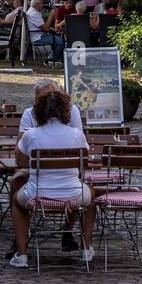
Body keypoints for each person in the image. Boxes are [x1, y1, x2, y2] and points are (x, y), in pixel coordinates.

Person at [9, 88, 95, 268]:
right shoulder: (76, 135)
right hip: (73, 194)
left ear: (38, 111)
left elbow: (21, 161)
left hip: (37, 194)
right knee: (92, 196)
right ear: (66, 110)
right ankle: (86, 248)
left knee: (17, 202)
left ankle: (22, 253)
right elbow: (83, 163)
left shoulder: (31, 135)